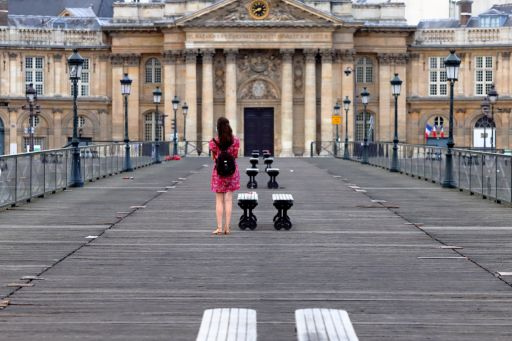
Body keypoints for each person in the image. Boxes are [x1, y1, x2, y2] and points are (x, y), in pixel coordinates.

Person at [209, 117, 240, 235]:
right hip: (232, 173)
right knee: (228, 200)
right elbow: (235, 155)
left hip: (219, 173)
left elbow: (213, 158)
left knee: (219, 201)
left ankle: (219, 228)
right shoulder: (236, 141)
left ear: (218, 128)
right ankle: (227, 228)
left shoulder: (213, 141)